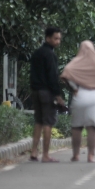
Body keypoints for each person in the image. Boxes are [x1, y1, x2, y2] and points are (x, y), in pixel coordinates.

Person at [29, 27, 66, 163]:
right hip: (47, 93)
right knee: (48, 122)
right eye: (56, 38)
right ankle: (45, 155)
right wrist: (58, 95)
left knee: (38, 121)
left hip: (35, 91)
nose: (58, 41)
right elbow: (52, 77)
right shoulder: (50, 55)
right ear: (48, 38)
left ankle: (34, 151)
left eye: (59, 39)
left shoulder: (36, 53)